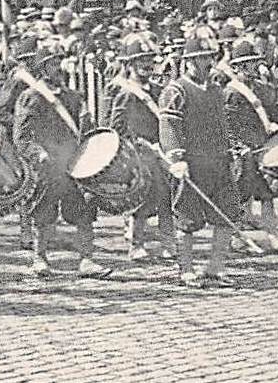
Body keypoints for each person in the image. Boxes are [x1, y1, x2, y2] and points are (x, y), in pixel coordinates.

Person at [14, 38, 106, 278]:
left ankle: (87, 259)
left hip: (72, 163)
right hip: (47, 166)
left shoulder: (73, 97)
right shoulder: (31, 97)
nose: (59, 68)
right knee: (44, 213)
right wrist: (38, 154)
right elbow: (22, 136)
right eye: (53, 64)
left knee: (84, 210)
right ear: (43, 68)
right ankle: (39, 258)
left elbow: (86, 129)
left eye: (59, 62)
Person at [158, 30, 242, 286]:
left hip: (218, 161)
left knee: (227, 214)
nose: (206, 63)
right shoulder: (176, 91)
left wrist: (232, 151)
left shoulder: (217, 90)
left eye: (209, 57)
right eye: (199, 58)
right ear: (188, 61)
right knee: (187, 218)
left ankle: (215, 268)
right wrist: (176, 158)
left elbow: (223, 125)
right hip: (191, 164)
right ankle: (186, 269)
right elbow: (169, 127)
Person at [104, 32, 175, 263]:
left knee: (167, 198)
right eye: (139, 60)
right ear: (129, 64)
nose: (146, 64)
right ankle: (136, 244)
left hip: (160, 152)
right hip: (138, 154)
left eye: (149, 59)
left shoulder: (156, 91)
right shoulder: (124, 93)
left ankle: (168, 243)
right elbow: (116, 127)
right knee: (141, 201)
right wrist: (136, 145)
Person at [221, 37, 278, 253]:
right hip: (243, 153)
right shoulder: (231, 93)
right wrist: (237, 149)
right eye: (251, 63)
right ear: (239, 67)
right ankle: (236, 237)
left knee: (268, 195)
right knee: (240, 197)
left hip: (263, 149)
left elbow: (274, 114)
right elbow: (228, 126)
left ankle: (272, 237)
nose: (255, 66)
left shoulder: (262, 88)